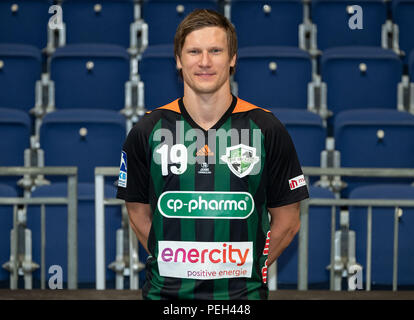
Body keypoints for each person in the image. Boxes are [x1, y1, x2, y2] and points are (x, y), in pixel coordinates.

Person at [116, 9, 309, 300]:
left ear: (232, 59)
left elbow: (289, 220)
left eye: (216, 51)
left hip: (242, 299)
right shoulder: (148, 129)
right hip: (166, 298)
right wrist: (184, 265)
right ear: (179, 60)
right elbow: (137, 211)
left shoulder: (267, 128)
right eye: (194, 51)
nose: (204, 62)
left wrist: (248, 268)